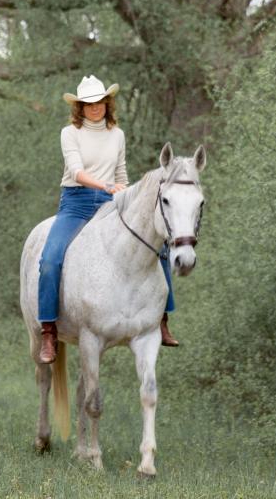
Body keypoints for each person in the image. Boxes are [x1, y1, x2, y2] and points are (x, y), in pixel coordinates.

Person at [37, 75, 178, 364]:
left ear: (106, 102)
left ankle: (161, 319)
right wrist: (104, 186)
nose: (94, 107)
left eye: (99, 102)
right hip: (76, 203)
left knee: (159, 247)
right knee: (50, 260)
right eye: (88, 104)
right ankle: (49, 330)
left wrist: (124, 196)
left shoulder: (118, 134)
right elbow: (76, 171)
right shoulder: (70, 133)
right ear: (79, 107)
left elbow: (121, 175)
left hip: (111, 202)